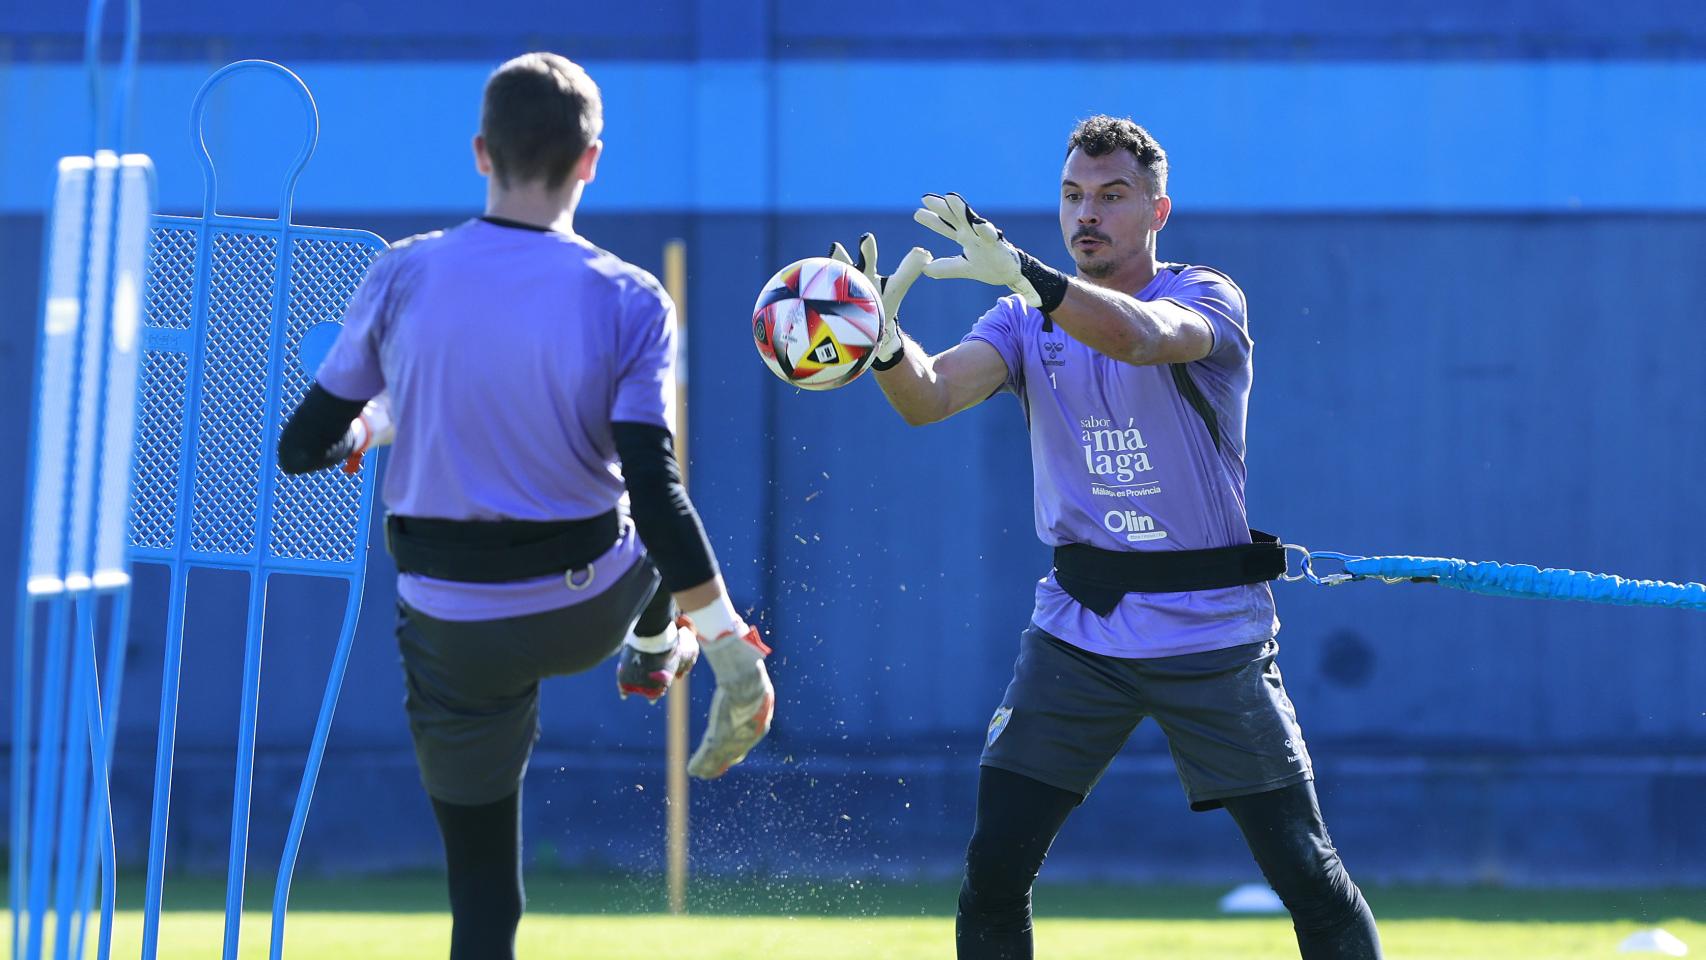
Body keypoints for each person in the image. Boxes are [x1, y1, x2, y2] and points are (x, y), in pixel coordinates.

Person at [841, 115, 1382, 959]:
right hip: (1078, 633)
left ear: (1157, 212)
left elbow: (1139, 338)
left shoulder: (1206, 296)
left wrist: (1029, 273)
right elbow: (929, 397)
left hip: (1212, 632)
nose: (1086, 213)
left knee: (1306, 873)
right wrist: (881, 343)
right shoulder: (1021, 320)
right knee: (993, 875)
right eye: (1071, 196)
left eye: (1112, 196)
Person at [275, 52, 774, 960]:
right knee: (649, 527)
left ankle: (654, 645)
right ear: (592, 159)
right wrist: (733, 646)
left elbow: (300, 449)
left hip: (449, 622)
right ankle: (656, 648)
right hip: (588, 601)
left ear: (480, 153)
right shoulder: (632, 297)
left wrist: (369, 428)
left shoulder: (402, 274)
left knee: (485, 904)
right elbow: (657, 489)